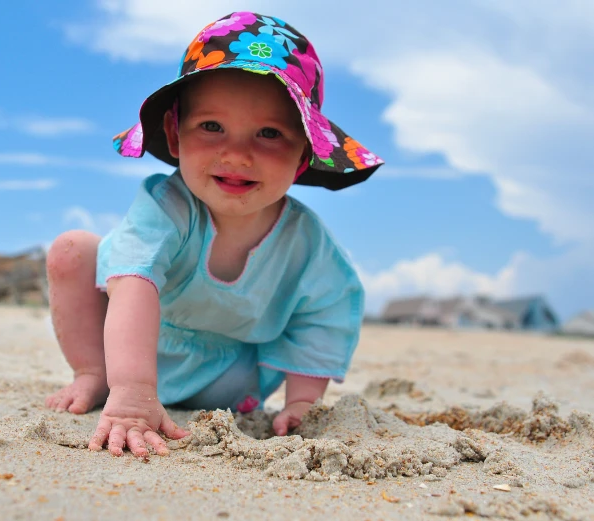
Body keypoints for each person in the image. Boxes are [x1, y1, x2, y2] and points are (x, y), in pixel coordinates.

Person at [45, 11, 384, 458]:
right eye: (212, 126)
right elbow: (132, 282)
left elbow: (324, 312)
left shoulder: (305, 242)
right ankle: (91, 374)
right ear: (175, 133)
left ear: (303, 154)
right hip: (127, 356)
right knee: (72, 250)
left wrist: (303, 402)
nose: (237, 154)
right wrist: (130, 394)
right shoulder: (167, 206)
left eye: (269, 133)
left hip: (232, 378)